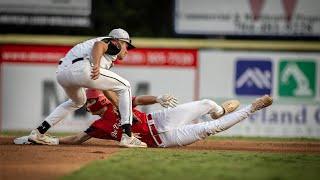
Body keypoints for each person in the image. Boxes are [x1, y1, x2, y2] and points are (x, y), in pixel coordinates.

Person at [15, 89, 273, 147]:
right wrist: (54, 141)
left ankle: (221, 110)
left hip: (159, 120)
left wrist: (158, 98)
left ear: (99, 101)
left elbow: (138, 99)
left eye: (91, 102)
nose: (88, 107)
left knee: (207, 105)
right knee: (210, 129)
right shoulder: (98, 126)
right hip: (163, 140)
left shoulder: (118, 104)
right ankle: (252, 108)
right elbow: (79, 138)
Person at [28, 28, 148, 148]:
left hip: (62, 74)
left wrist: (122, 109)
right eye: (126, 46)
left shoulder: (107, 55)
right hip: (82, 68)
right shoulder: (114, 44)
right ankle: (127, 136)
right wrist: (95, 64)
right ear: (119, 41)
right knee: (125, 86)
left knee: (77, 102)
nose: (127, 51)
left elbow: (106, 89)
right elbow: (99, 45)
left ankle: (39, 132)